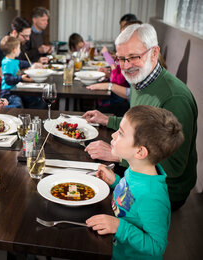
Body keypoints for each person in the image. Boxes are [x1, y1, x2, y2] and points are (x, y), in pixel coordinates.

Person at [82, 23, 198, 211]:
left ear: (154, 53)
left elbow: (174, 166)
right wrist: (107, 120)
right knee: (86, 167)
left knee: (92, 195)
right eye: (121, 59)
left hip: (166, 190)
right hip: (140, 168)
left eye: (134, 57)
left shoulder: (175, 98)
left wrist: (118, 156)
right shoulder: (141, 81)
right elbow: (140, 127)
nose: (126, 66)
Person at [86, 105, 184, 259]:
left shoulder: (152, 196)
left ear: (140, 152)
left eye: (121, 133)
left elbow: (157, 246)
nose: (113, 136)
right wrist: (116, 182)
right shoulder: (137, 170)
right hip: (114, 249)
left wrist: (119, 227)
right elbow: (131, 199)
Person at [0, 36, 34, 108]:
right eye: (19, 48)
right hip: (8, 92)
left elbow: (22, 63)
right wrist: (21, 78)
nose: (20, 50)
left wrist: (33, 64)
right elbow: (8, 79)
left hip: (15, 89)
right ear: (14, 50)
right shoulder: (7, 63)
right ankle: (2, 109)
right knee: (18, 105)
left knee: (32, 99)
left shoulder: (13, 61)